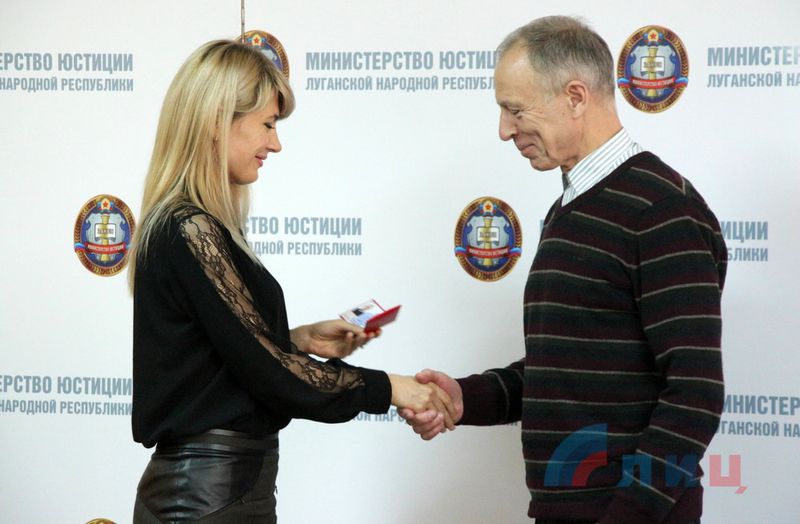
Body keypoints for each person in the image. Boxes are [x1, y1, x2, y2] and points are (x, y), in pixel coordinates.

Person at [400, 16, 727, 524]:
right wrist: (466, 398)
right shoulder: (573, 208)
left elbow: (695, 393)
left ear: (575, 97)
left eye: (515, 110)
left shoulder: (661, 210)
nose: (504, 130)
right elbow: (565, 370)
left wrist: (625, 516)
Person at [128, 39, 455, 524]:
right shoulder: (191, 230)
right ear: (216, 121)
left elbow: (218, 357)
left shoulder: (191, 227)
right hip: (207, 501)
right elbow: (272, 376)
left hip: (219, 496)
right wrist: (390, 388)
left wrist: (296, 339)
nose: (275, 144)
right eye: (267, 124)